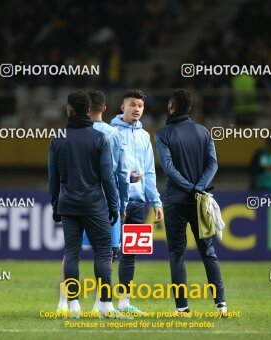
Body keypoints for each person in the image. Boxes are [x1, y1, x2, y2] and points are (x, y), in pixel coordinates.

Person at [55, 90, 130, 317]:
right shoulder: (108, 135)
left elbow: (55, 175)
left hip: (69, 202)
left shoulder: (62, 136)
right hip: (99, 203)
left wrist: (55, 202)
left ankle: (66, 303)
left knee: (70, 252)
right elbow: (116, 173)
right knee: (104, 252)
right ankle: (103, 304)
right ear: (103, 108)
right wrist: (118, 204)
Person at [154, 89, 226, 315]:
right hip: (200, 201)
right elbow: (213, 164)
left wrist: (187, 187)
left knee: (177, 253)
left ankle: (182, 307)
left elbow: (169, 169)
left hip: (175, 200)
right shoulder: (203, 132)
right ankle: (221, 304)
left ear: (171, 107)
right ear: (190, 109)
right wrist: (199, 187)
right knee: (208, 251)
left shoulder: (163, 135)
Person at [110, 89, 163, 315]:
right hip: (115, 203)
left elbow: (149, 172)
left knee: (130, 254)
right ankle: (102, 302)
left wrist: (156, 201)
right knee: (110, 253)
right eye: (132, 104)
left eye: (140, 106)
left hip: (138, 203)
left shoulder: (144, 137)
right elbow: (107, 170)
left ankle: (124, 302)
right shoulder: (110, 133)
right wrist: (125, 178)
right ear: (122, 107)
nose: (136, 109)